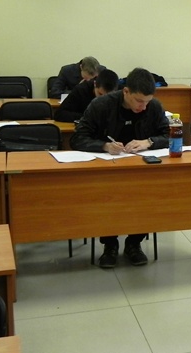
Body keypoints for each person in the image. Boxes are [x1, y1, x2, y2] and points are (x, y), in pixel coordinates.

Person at [69, 67, 169, 268]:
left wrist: (149, 142)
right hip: (107, 170)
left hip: (141, 170)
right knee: (108, 198)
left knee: (147, 197)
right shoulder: (101, 105)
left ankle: (134, 243)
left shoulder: (154, 106)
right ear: (126, 92)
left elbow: (170, 135)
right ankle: (110, 245)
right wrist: (104, 146)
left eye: (147, 102)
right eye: (139, 101)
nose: (143, 107)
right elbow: (77, 138)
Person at [54, 69, 118, 123]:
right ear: (95, 84)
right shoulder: (80, 91)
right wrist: (87, 117)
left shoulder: (119, 95)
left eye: (109, 96)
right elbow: (59, 114)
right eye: (100, 94)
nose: (104, 99)